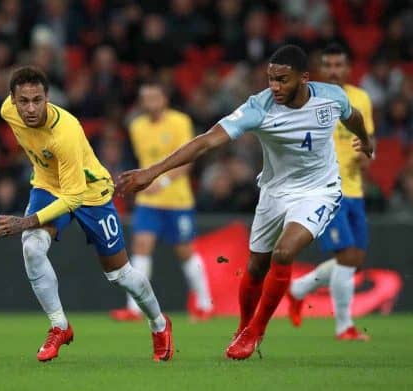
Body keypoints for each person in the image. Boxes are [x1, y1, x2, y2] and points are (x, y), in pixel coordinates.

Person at [116, 45, 373, 360]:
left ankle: (256, 331)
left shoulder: (331, 98)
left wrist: (368, 143)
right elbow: (208, 140)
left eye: (283, 80)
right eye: (270, 79)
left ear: (304, 78)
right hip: (274, 192)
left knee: (284, 252)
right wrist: (153, 172)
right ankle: (242, 326)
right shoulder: (259, 107)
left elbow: (355, 117)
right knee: (255, 266)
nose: (274, 87)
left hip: (319, 190)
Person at [0, 67, 173, 362]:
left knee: (121, 275)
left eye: (38, 100)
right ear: (12, 100)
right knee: (32, 247)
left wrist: (27, 221)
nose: (31, 108)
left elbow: (73, 197)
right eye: (24, 101)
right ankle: (59, 326)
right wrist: (30, 226)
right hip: (48, 186)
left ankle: (159, 325)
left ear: (48, 98)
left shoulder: (66, 132)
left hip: (89, 193)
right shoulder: (7, 112)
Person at [288, 44, 375, 341]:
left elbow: (366, 139)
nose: (334, 70)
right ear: (320, 69)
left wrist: (366, 154)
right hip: (326, 189)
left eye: (339, 65)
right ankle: (344, 326)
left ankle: (299, 288)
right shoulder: (310, 98)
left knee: (354, 260)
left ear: (349, 68)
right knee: (347, 256)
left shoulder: (361, 98)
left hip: (355, 190)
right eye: (329, 65)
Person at [110, 81, 214, 322]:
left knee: (185, 252)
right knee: (141, 246)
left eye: (155, 97)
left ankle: (204, 304)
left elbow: (189, 160)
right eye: (146, 98)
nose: (151, 102)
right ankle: (134, 309)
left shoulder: (180, 122)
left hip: (177, 200)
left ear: (164, 99)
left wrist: (163, 182)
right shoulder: (136, 126)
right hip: (148, 201)